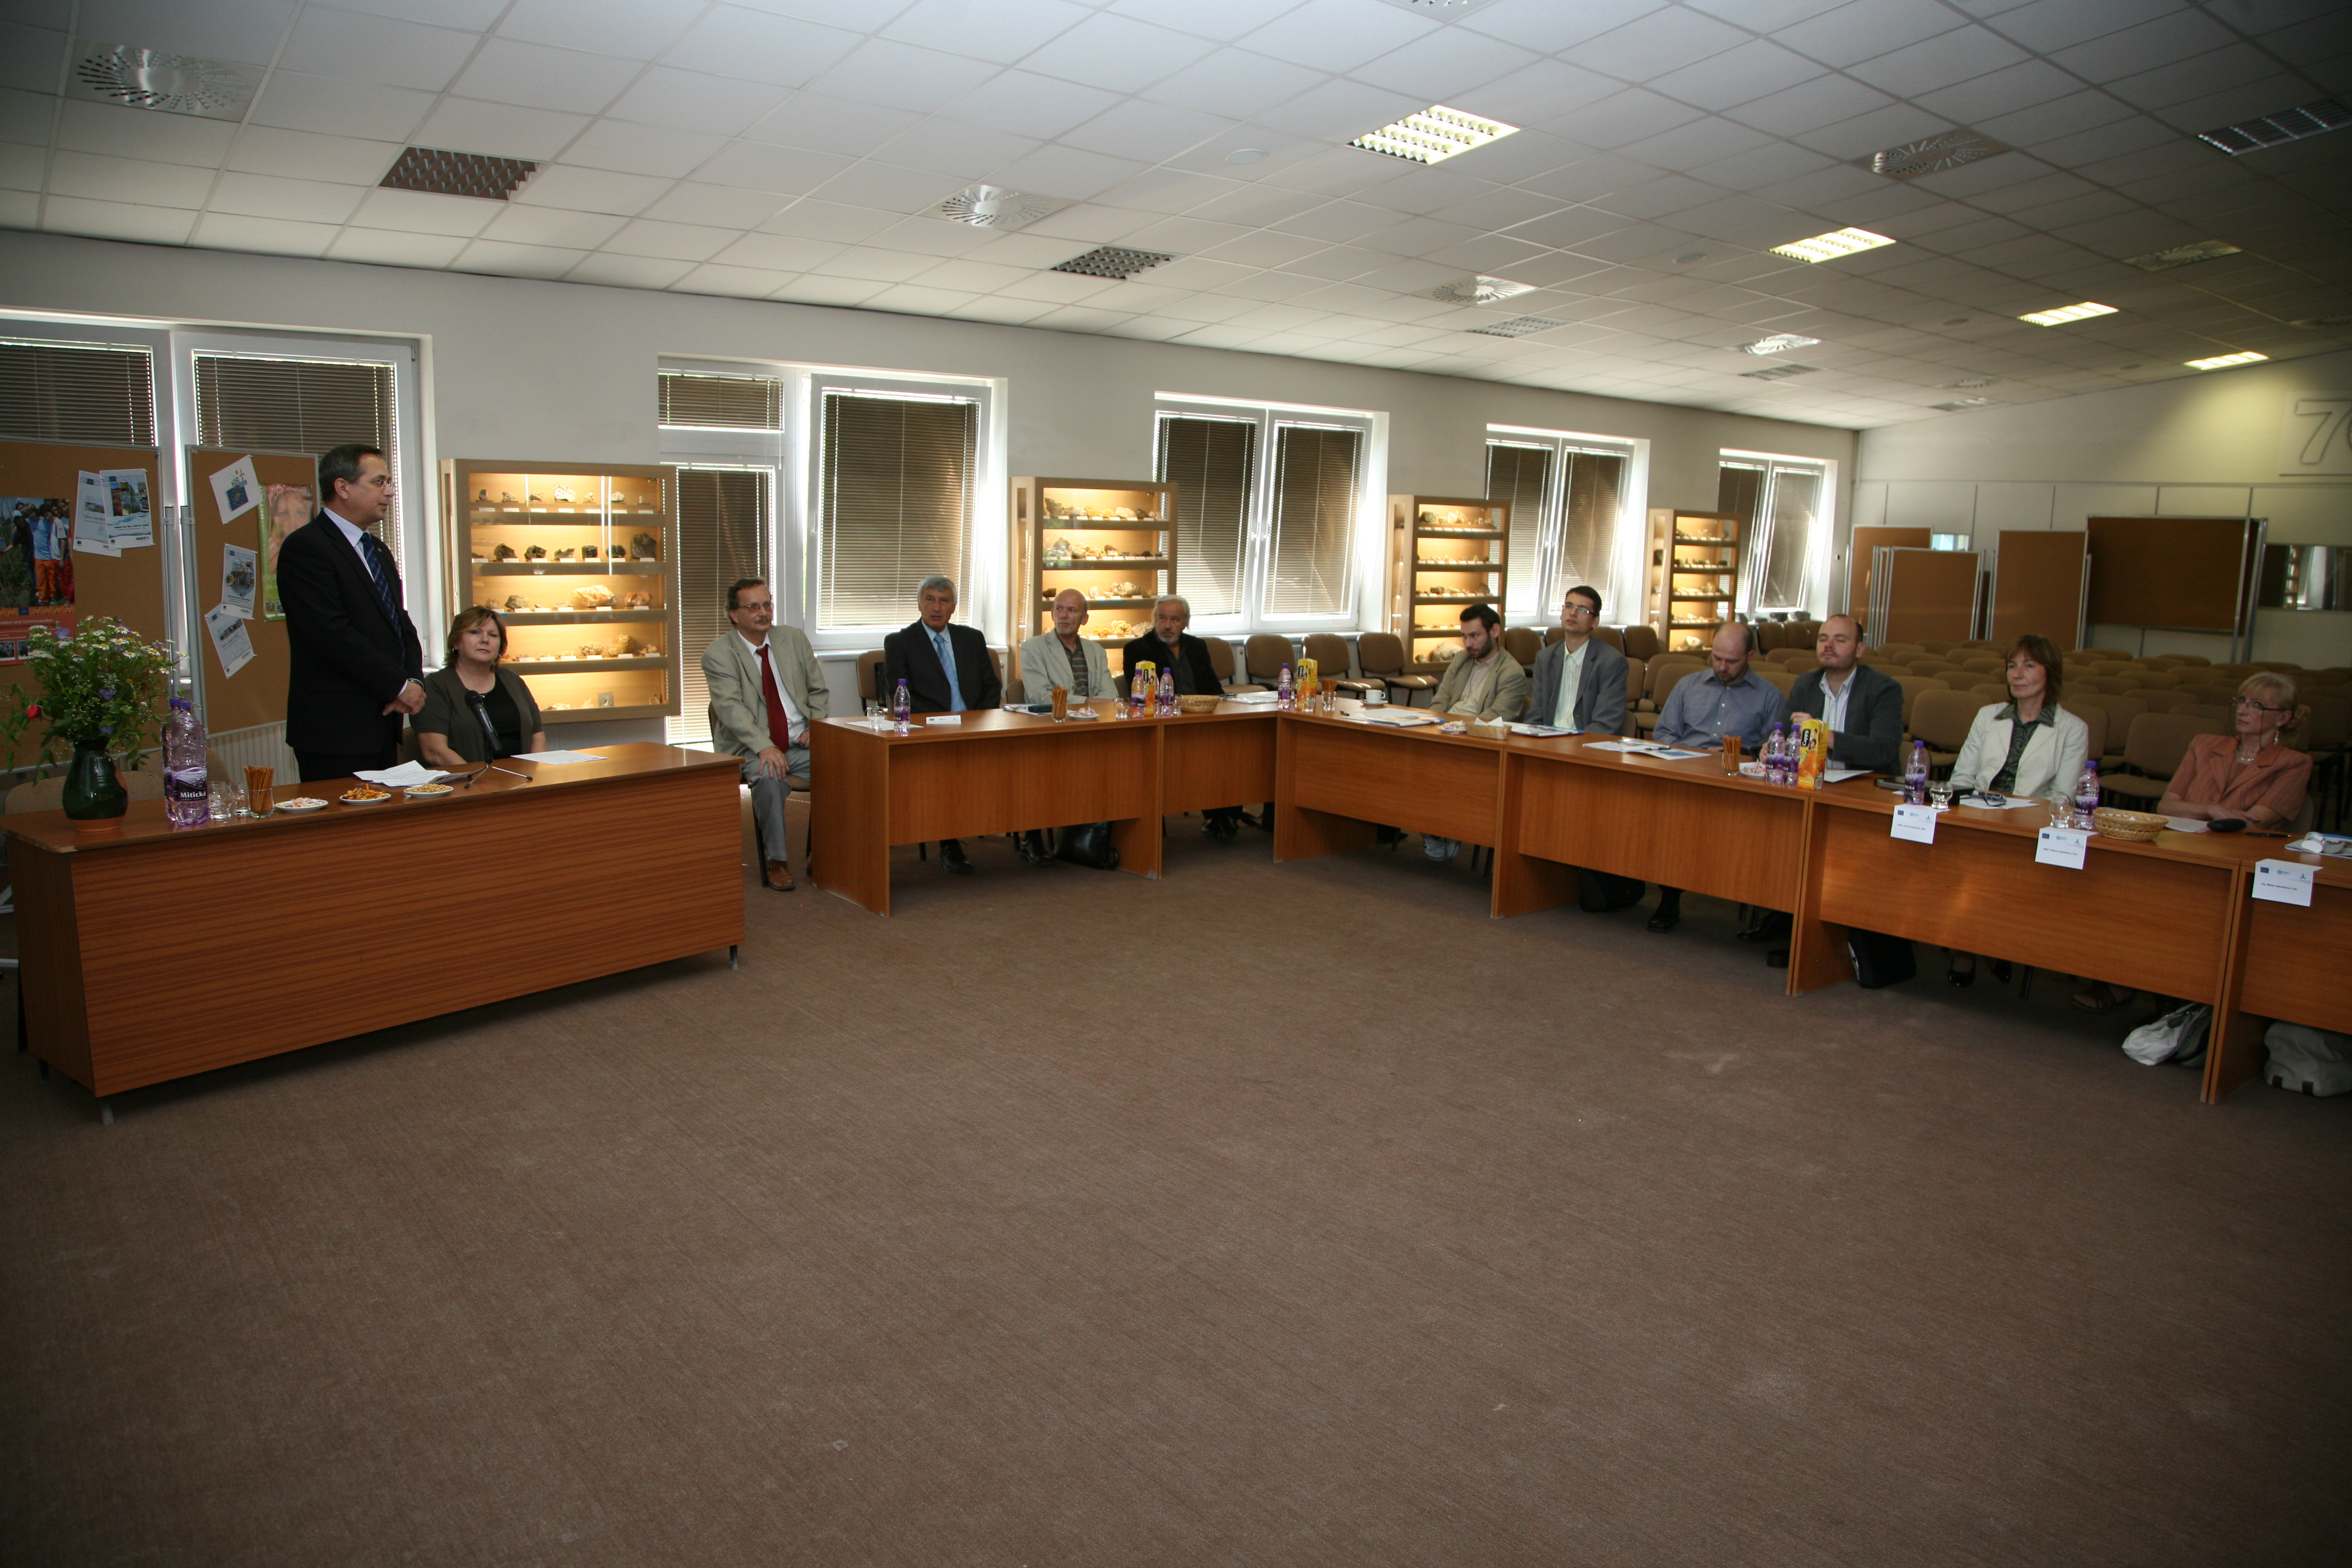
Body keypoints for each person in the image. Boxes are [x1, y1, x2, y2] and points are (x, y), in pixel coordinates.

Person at [2073, 673, 2315, 1013]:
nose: (2244, 710)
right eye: (2242, 701)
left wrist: (2199, 809)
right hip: (2181, 848)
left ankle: (2174, 994)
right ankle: (2123, 978)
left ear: (2283, 717)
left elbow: (2255, 820)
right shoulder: (2204, 745)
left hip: (2237, 861)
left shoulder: (2294, 763)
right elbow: (2167, 806)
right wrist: (2211, 809)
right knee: (2126, 888)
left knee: (2184, 905)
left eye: (2258, 705)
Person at [1943, 634, 2089, 988]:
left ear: (2050, 673)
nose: (2017, 674)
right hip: (1978, 817)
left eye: (2029, 665)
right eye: (2012, 666)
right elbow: (1962, 777)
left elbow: (2063, 797)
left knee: (1995, 868)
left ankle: (1991, 944)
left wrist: (2018, 815)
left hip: (2030, 826)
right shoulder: (1988, 716)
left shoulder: (2072, 729)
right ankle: (1968, 946)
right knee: (1957, 863)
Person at [277, 443, 424, 782]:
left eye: (389, 482)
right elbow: (330, 634)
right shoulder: (307, 547)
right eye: (378, 482)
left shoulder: (377, 549)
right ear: (342, 487)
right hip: (336, 729)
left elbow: (399, 623)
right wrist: (398, 685)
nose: (389, 492)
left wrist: (414, 681)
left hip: (383, 719)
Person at [1643, 622, 1782, 932]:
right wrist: (1692, 755)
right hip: (1687, 772)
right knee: (1673, 821)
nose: (1722, 667)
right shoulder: (1688, 685)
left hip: (1738, 781)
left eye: (1731, 661)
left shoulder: (1769, 696)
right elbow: (1664, 733)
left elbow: (1773, 748)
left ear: (1750, 656)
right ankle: (1669, 896)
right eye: (1717, 658)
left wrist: (1739, 752)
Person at [703, 577, 827, 892]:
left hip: (800, 742)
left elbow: (818, 691)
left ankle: (827, 850)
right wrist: (765, 747)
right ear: (734, 614)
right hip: (750, 746)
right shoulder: (719, 654)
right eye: (753, 607)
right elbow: (731, 710)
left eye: (767, 604)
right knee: (770, 775)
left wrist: (815, 726)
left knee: (849, 766)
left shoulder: (793, 639)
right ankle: (777, 860)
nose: (763, 612)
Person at [884, 575, 1000, 874]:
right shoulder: (900, 642)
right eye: (930, 600)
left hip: (976, 726)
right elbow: (901, 695)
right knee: (948, 768)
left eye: (944, 601)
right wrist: (942, 723)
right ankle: (950, 845)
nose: (936, 607)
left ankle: (1031, 837)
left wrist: (980, 719)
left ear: (953, 607)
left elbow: (991, 686)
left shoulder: (971, 639)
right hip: (931, 731)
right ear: (919, 604)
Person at [1121, 595, 1245, 841]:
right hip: (1165, 723)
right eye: (1162, 619)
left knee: (1233, 749)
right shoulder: (1138, 649)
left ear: (1186, 622)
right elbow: (1142, 695)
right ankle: (1214, 814)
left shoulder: (1197, 646)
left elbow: (1213, 687)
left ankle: (1224, 814)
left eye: (1175, 620)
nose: (1167, 626)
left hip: (1202, 718)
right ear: (1154, 620)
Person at [1419, 603, 1528, 861]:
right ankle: (1431, 827)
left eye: (1475, 636)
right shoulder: (1461, 659)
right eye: (1464, 636)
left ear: (1495, 631)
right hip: (1445, 732)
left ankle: (1450, 827)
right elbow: (1440, 701)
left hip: (1476, 742)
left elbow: (1494, 719)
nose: (1468, 644)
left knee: (1438, 771)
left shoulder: (1512, 673)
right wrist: (1429, 727)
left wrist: (1454, 731)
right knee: (1411, 762)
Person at [414, 607, 543, 768]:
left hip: (523, 777)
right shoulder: (436, 685)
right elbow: (435, 751)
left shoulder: (512, 680)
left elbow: (537, 736)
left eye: (493, 635)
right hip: (467, 780)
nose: (485, 640)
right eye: (475, 632)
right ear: (456, 642)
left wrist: (535, 775)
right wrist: (478, 778)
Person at [1780, 614, 1903, 772]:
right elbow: (1780, 729)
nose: (1828, 645)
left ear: (1859, 650)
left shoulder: (1883, 689)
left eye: (1840, 640)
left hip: (1863, 782)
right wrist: (1768, 747)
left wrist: (1823, 736)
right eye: (1823, 639)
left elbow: (1883, 750)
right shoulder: (1806, 684)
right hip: (1812, 778)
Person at [1522, 585, 1628, 737]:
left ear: (1595, 621)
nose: (1573, 613)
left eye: (1583, 610)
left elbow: (1606, 724)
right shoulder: (1546, 658)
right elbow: (1536, 716)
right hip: (1547, 742)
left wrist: (1572, 745)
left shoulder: (1610, 662)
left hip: (1586, 743)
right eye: (1569, 606)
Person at [1019, 589, 1115, 708]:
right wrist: (1087, 702)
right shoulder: (1032, 648)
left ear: (1084, 619)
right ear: (1052, 614)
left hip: (1094, 716)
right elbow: (1041, 697)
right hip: (1052, 717)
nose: (1063, 615)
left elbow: (1110, 694)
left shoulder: (1097, 651)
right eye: (1059, 609)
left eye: (1071, 610)